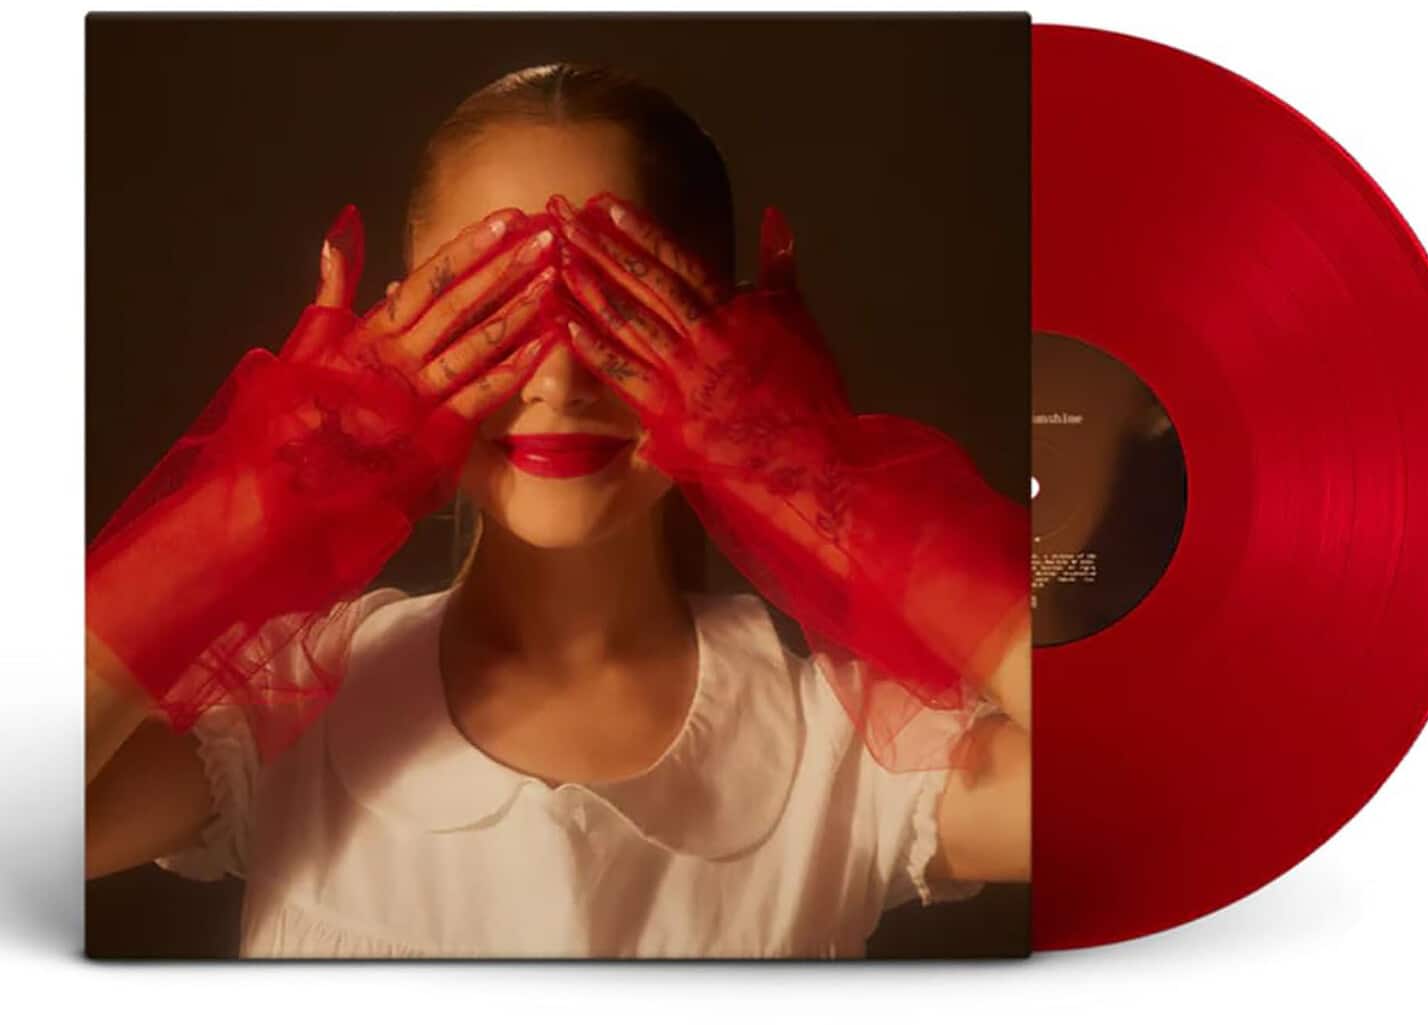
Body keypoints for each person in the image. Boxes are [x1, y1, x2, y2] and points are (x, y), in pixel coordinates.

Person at [84, 63, 1031, 958]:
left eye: (622, 308)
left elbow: (1123, 790)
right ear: (392, 334)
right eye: (492, 311)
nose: (560, 378)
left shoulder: (845, 754)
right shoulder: (281, 716)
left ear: (739, 341)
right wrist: (254, 505)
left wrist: (827, 487)